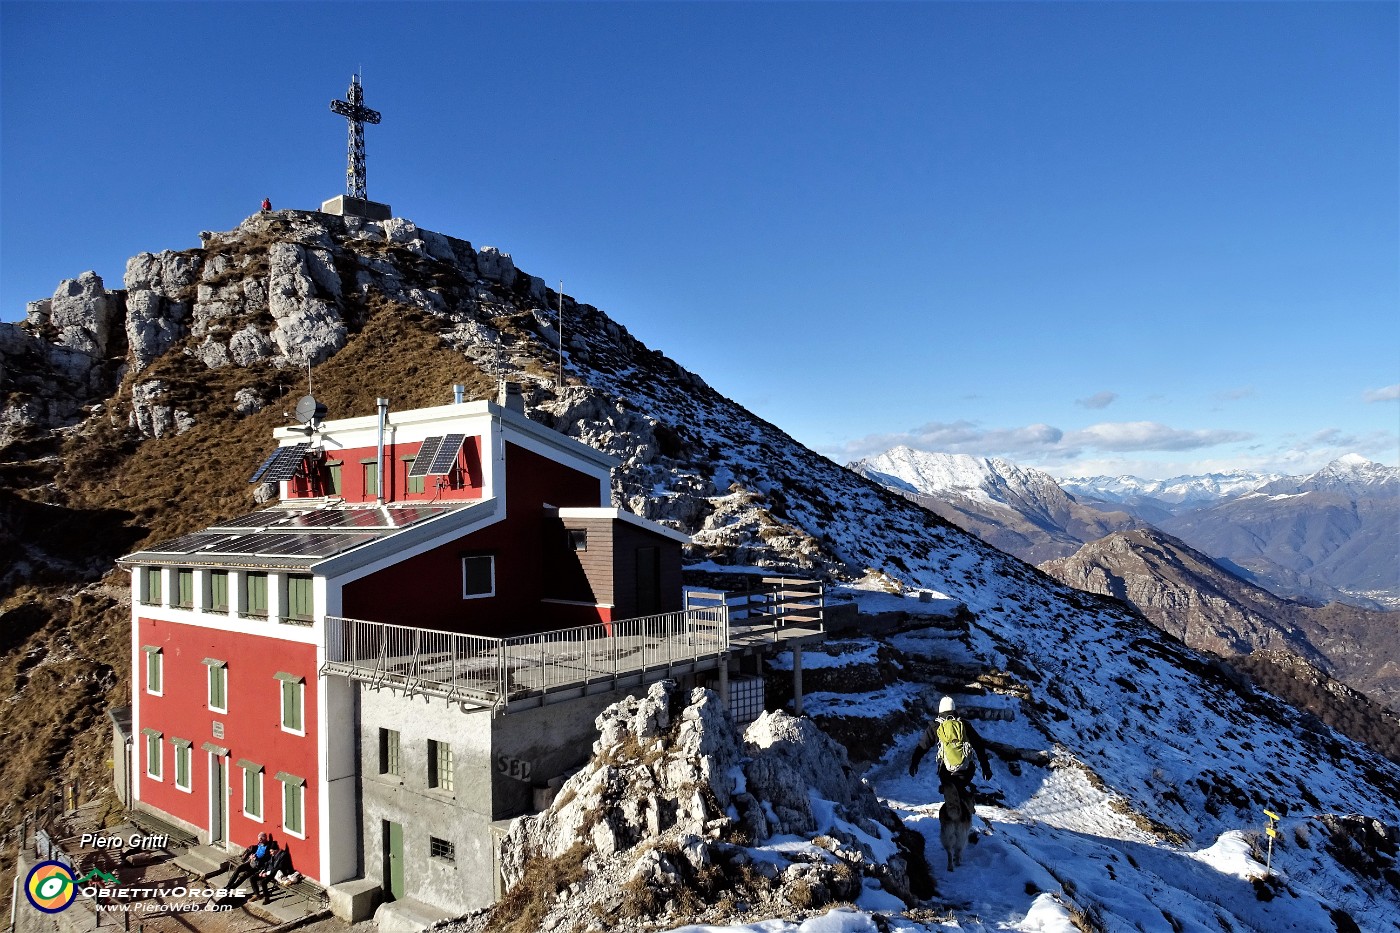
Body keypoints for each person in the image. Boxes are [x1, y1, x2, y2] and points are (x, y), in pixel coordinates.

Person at [909, 696, 992, 800]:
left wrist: (914, 762)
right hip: (966, 770)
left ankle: (955, 810)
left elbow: (922, 747)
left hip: (946, 771)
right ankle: (967, 808)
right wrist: (986, 768)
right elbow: (979, 745)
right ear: (954, 709)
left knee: (951, 797)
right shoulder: (963, 725)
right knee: (960, 792)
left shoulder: (935, 726)